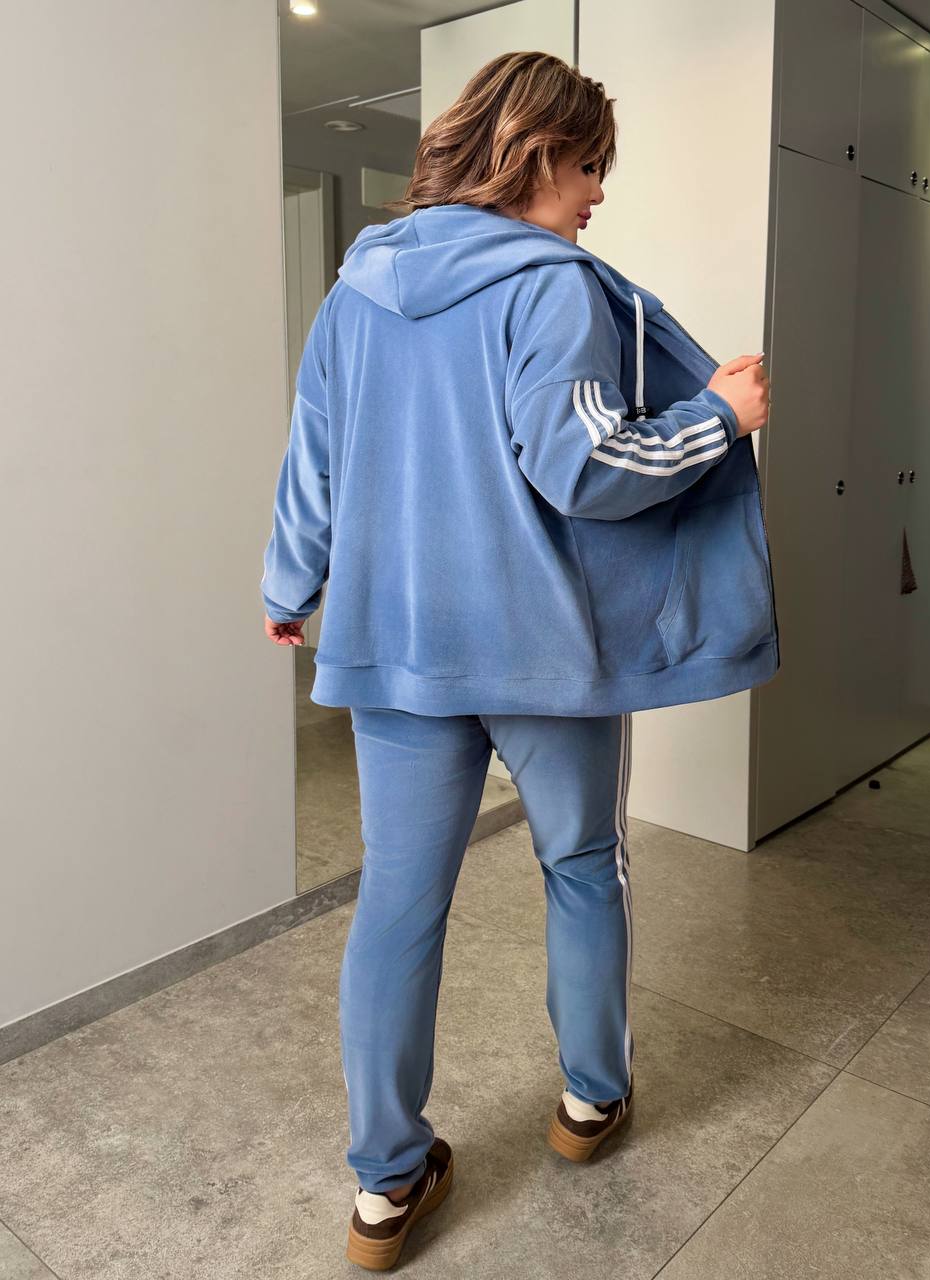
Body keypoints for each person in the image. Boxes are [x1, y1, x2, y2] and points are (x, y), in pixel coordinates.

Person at [261, 51, 773, 1272]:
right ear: (538, 151)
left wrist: (291, 585)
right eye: (590, 165)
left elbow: (313, 457)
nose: (597, 193)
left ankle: (386, 1184)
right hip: (540, 649)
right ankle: (592, 1097)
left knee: (397, 902)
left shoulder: (356, 290)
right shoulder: (553, 287)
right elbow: (584, 465)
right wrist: (719, 415)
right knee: (583, 865)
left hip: (394, 647)